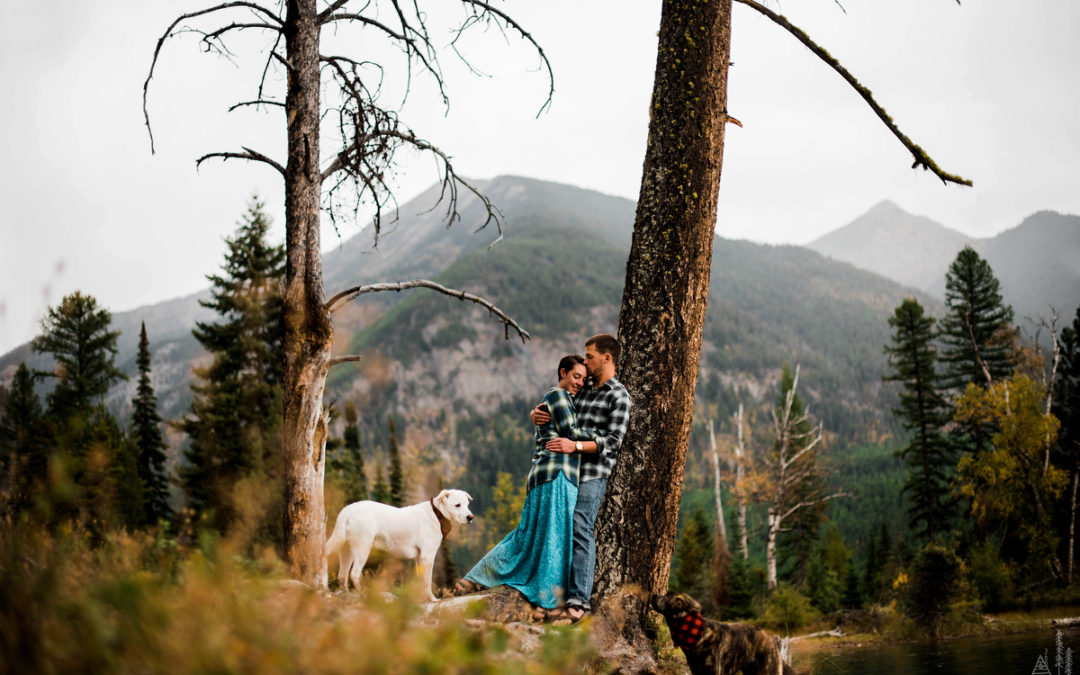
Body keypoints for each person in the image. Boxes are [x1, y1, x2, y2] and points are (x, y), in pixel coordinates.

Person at [453, 354, 594, 612]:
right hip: (558, 474)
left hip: (544, 474)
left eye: (584, 379)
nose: (580, 383)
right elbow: (573, 434)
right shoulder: (559, 396)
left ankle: (473, 578)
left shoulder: (558, 399)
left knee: (527, 535)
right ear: (562, 372)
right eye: (576, 376)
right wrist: (602, 439)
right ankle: (548, 600)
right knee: (554, 537)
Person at [532, 333, 631, 624]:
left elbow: (612, 442)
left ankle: (579, 602)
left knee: (580, 529)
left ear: (606, 358)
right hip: (564, 469)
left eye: (589, 356)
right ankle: (551, 597)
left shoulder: (619, 396)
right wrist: (535, 414)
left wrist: (574, 445)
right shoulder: (583, 386)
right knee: (558, 526)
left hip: (591, 473)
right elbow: (557, 404)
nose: (585, 360)